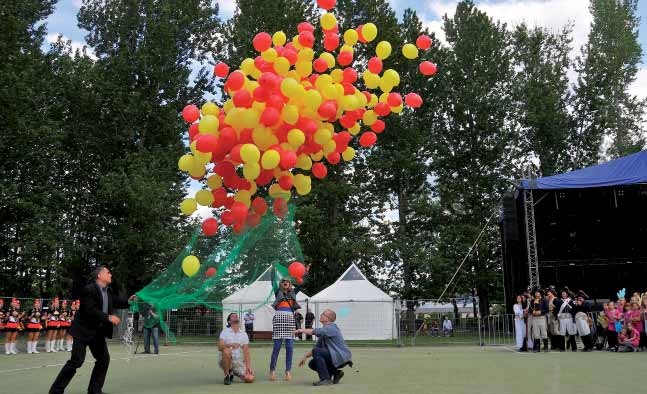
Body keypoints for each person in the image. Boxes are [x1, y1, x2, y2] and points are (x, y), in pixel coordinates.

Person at [49, 265, 135, 394]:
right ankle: (55, 391)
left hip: (97, 332)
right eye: (108, 272)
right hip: (82, 331)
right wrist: (108, 317)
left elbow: (117, 302)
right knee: (77, 361)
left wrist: (129, 301)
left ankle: (94, 390)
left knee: (103, 359)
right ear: (99, 275)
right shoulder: (88, 289)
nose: (111, 275)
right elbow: (89, 310)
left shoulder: (108, 291)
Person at [296, 309, 352, 386]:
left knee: (317, 351)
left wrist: (301, 330)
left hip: (341, 358)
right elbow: (316, 347)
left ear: (328, 318)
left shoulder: (332, 328)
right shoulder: (325, 330)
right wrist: (305, 357)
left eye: (323, 314)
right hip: (334, 357)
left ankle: (325, 379)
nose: (321, 315)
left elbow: (316, 332)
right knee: (313, 363)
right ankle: (336, 373)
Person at [269, 276, 306, 382]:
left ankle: (288, 371)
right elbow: (273, 282)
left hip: (290, 319)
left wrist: (305, 272)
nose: (285, 282)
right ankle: (272, 370)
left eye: (287, 281)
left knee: (290, 347)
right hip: (279, 319)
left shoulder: (293, 292)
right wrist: (273, 270)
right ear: (281, 284)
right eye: (283, 281)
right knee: (276, 347)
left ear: (290, 284)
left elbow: (302, 284)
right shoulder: (277, 292)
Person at [218, 313, 254, 385]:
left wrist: (248, 366)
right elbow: (220, 347)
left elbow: (246, 352)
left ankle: (234, 372)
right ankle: (227, 375)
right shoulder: (224, 332)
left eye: (236, 316)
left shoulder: (243, 334)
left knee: (250, 378)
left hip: (238, 363)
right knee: (226, 350)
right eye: (233, 316)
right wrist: (230, 345)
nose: (235, 316)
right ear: (229, 321)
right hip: (225, 360)